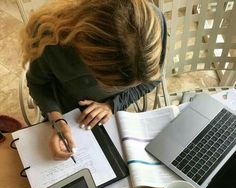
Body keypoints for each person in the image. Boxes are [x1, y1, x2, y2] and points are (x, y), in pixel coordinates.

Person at [21, 0, 167, 161]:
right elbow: (38, 83)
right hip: (66, 114)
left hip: (110, 117)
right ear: (88, 62)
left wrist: (112, 105)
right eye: (112, 85)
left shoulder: (154, 22)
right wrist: (57, 120)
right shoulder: (50, 38)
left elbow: (153, 79)